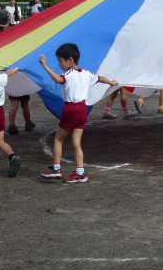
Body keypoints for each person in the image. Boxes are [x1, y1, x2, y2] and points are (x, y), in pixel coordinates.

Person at [40, 43, 118, 183]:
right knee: (76, 142)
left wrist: (45, 66)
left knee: (58, 139)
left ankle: (56, 169)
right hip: (83, 109)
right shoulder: (86, 74)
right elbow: (100, 78)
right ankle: (80, 172)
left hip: (71, 109)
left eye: (60, 61)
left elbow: (58, 79)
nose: (60, 65)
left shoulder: (68, 74)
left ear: (70, 60)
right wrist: (112, 82)